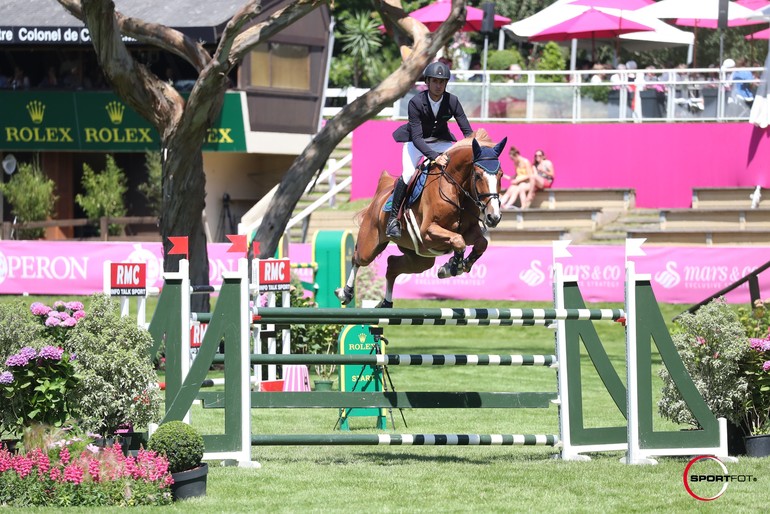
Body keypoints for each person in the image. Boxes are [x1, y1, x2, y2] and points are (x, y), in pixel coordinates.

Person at [388, 61, 473, 238]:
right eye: (434, 81)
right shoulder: (416, 102)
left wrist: (474, 147)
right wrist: (434, 157)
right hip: (416, 143)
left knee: (459, 171)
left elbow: (467, 131)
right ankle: (393, 219)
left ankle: (470, 213)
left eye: (442, 82)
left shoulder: (452, 101)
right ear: (427, 82)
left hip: (441, 141)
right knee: (409, 174)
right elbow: (418, 138)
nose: (438, 85)